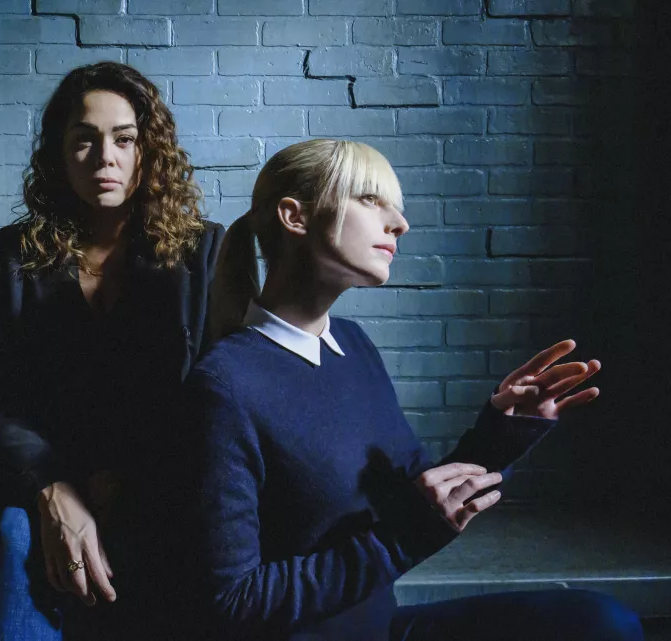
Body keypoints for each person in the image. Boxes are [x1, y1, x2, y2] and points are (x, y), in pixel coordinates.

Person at [179, 139, 643, 641]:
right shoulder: (224, 386)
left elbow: (414, 496)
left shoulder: (352, 345)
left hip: (380, 629)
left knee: (601, 623)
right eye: (370, 199)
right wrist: (402, 538)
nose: (399, 223)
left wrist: (504, 431)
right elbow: (234, 601)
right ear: (295, 217)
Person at [0, 61, 223, 640]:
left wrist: (130, 483)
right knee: (12, 537)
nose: (105, 157)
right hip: (43, 484)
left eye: (124, 139)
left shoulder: (202, 252)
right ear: (59, 154)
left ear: (149, 151)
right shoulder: (13, 253)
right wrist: (54, 490)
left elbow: (217, 397)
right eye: (85, 140)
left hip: (165, 485)